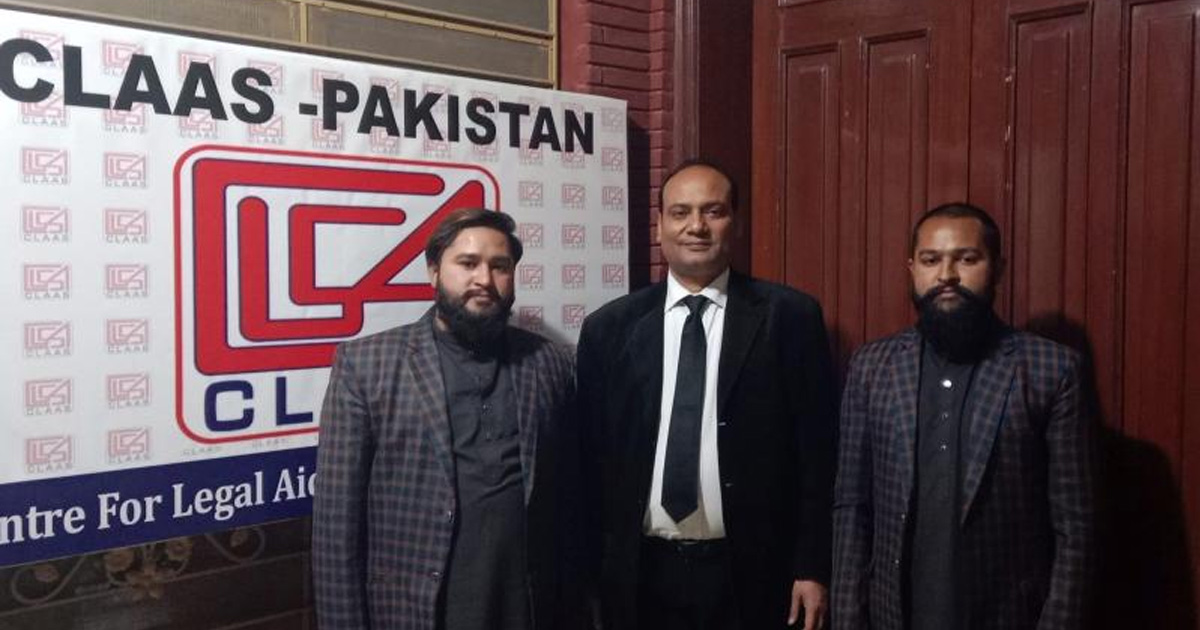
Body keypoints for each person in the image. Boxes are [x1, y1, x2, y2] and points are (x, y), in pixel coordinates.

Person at [576, 159, 837, 630]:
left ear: (733, 223)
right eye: (680, 212)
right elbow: (591, 463)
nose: (696, 226)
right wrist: (589, 576)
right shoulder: (608, 330)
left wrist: (812, 566)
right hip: (639, 574)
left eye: (712, 211)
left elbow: (817, 456)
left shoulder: (790, 318)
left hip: (752, 572)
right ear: (659, 226)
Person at [831, 203, 1098, 630]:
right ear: (912, 268)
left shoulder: (1051, 369)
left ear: (998, 268)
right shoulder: (872, 366)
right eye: (931, 260)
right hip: (893, 616)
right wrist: (847, 619)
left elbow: (1075, 528)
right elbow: (851, 507)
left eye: (967, 259)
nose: (946, 275)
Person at [312, 208, 579, 630]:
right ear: (434, 272)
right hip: (416, 610)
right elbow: (335, 528)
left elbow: (568, 503)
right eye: (467, 263)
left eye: (500, 266)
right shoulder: (366, 365)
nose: (484, 281)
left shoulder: (548, 361)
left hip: (527, 605)